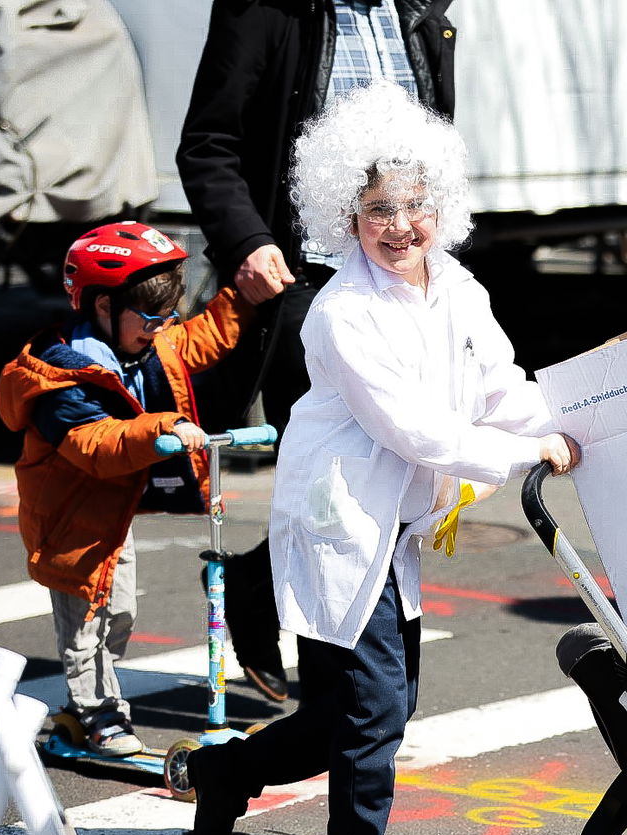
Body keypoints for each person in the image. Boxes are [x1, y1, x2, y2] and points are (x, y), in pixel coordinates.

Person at [184, 82, 579, 835]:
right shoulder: (340, 313)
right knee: (374, 711)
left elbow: (497, 385)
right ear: (343, 215)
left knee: (352, 710)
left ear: (440, 202)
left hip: (391, 525)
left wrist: (568, 426)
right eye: (375, 209)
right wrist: (524, 454)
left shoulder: (458, 286)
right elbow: (418, 430)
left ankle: (227, 773)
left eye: (411, 204)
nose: (398, 225)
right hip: (339, 525)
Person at [176, 0, 457, 701]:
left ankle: (262, 588)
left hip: (399, 280)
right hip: (308, 283)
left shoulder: (421, 10)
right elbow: (208, 142)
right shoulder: (269, 8)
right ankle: (346, 691)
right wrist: (247, 241)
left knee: (389, 483)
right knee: (342, 486)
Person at [0, 222, 253, 756]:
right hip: (70, 523)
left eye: (167, 317)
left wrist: (245, 296)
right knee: (87, 622)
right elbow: (96, 443)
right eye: (151, 318)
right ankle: (97, 713)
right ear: (101, 306)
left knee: (122, 615)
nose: (163, 329)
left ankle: (87, 704)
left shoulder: (149, 342)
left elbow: (201, 338)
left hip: (113, 513)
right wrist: (163, 428)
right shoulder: (57, 378)